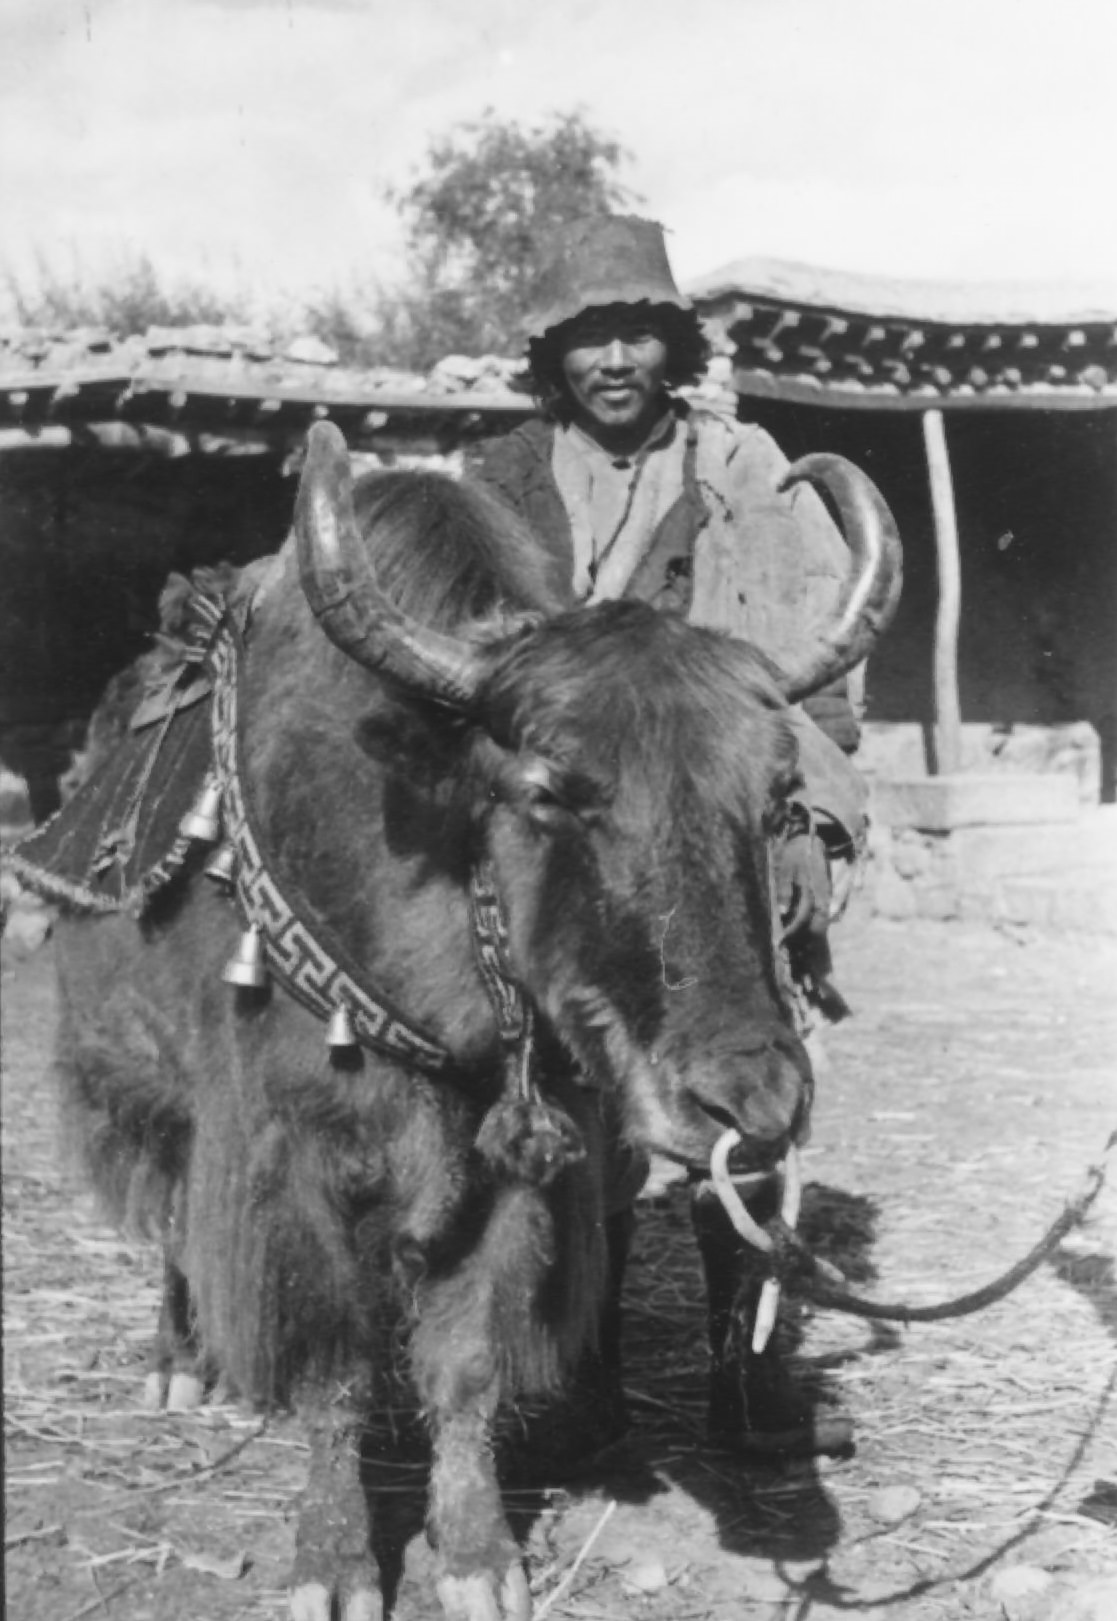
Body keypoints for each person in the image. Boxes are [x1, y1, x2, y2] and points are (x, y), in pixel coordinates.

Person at [467, 214, 864, 1461]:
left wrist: (804, 824)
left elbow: (819, 670)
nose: (617, 359)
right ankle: (582, 1375)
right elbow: (459, 685)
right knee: (567, 1116)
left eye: (639, 329)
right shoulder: (495, 481)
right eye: (589, 338)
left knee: (748, 1092)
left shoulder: (746, 469)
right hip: (569, 851)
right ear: (552, 359)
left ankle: (747, 1378)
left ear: (674, 344)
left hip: (719, 843)